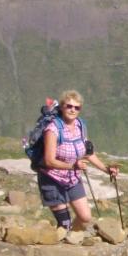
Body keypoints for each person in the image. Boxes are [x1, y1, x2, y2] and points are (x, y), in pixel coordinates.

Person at [37, 90, 119, 233]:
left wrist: (107, 170)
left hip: (72, 179)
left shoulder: (81, 125)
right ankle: (62, 246)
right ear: (62, 107)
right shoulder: (53, 129)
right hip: (52, 179)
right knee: (65, 223)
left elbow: (87, 153)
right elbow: (49, 161)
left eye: (77, 107)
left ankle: (71, 239)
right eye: (69, 106)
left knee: (85, 218)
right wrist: (72, 166)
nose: (72, 110)